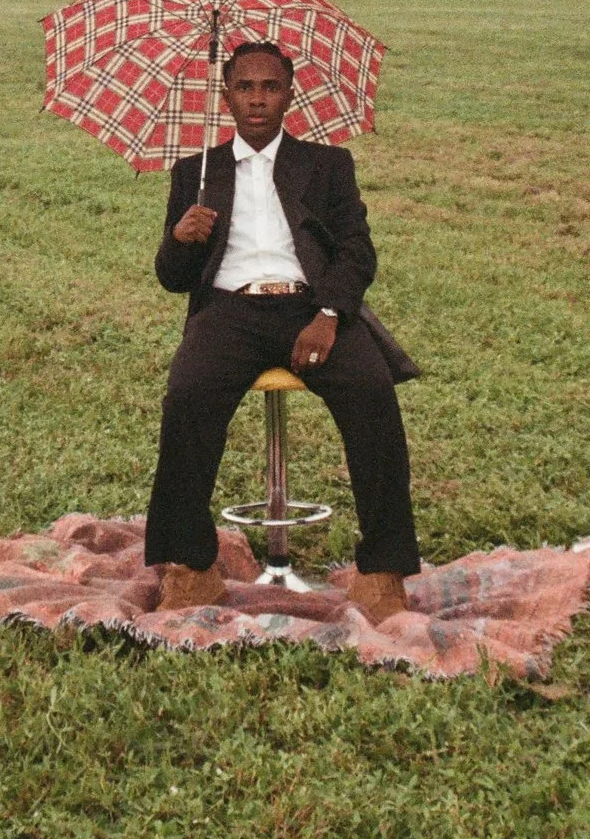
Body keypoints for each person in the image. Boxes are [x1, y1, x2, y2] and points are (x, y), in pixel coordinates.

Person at [145, 39, 422, 623]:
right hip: (229, 311)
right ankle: (190, 566)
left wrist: (329, 317)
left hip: (311, 308)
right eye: (244, 87)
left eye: (270, 87)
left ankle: (384, 570)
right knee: (188, 394)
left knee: (372, 393)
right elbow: (173, 279)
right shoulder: (196, 172)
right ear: (226, 97)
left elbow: (356, 252)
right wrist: (180, 239)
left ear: (289, 94)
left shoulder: (327, 165)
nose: (257, 99)